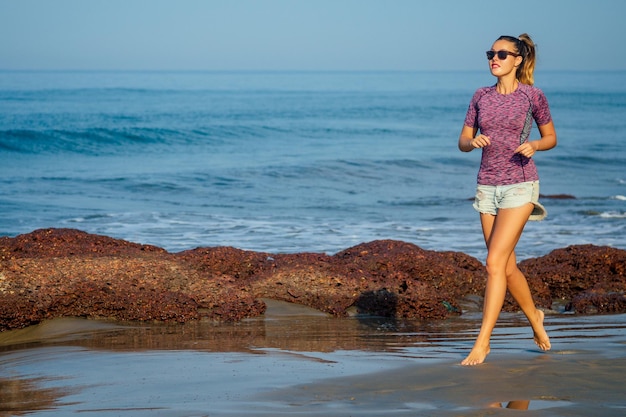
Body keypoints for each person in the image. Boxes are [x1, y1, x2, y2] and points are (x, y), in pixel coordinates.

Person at [458, 33, 556, 366]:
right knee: (507, 266)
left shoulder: (532, 96)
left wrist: (535, 146)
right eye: (491, 53)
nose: (494, 58)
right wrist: (473, 142)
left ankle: (483, 342)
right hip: (487, 187)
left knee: (493, 264)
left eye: (502, 53)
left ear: (518, 59)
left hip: (520, 184)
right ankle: (535, 318)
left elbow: (551, 137)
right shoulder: (480, 96)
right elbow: (462, 140)